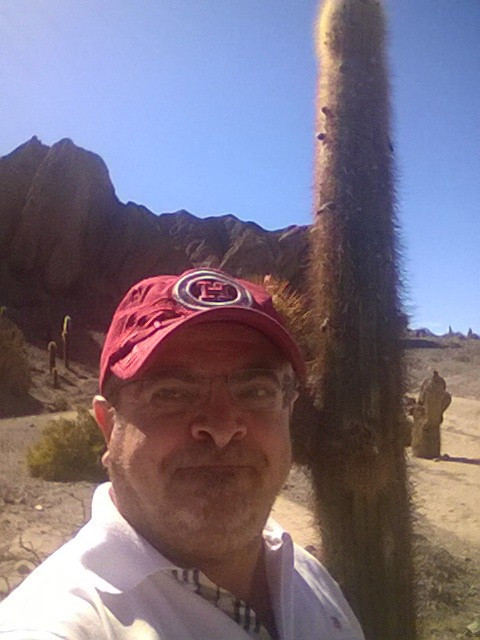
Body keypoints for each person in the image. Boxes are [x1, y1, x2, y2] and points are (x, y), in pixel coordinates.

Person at [0, 268, 364, 639]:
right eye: (171, 393)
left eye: (256, 391)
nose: (222, 428)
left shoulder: (305, 574)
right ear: (108, 426)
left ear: (288, 412)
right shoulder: (56, 623)